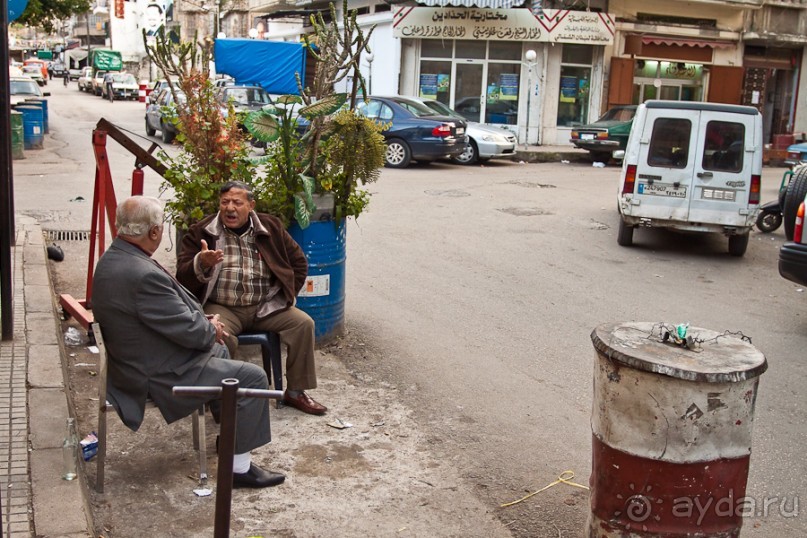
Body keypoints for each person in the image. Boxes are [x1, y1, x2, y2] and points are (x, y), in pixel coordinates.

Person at [92, 196, 284, 488]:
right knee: (253, 377)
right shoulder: (140, 274)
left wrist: (205, 325)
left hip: (140, 357)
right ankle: (239, 470)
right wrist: (209, 327)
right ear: (154, 232)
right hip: (156, 373)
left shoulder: (115, 258)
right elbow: (189, 331)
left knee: (221, 349)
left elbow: (164, 314)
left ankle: (231, 430)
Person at [176, 181, 327, 416]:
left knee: (303, 324)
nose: (230, 208)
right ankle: (222, 398)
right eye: (225, 202)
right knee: (220, 336)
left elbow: (299, 262)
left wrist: (284, 294)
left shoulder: (270, 227)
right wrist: (201, 264)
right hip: (223, 306)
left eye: (237, 202)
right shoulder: (202, 231)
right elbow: (181, 277)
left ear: (251, 205)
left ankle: (296, 392)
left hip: (265, 306)